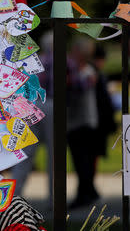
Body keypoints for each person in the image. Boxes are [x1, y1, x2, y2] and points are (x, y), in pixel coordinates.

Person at [11, 31, 54, 208]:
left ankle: (15, 194)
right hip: (51, 104)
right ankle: (54, 196)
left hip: (31, 105)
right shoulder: (64, 61)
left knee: (26, 151)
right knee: (54, 154)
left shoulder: (37, 61)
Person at [67, 37, 99, 209]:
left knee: (82, 161)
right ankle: (88, 191)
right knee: (82, 161)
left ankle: (85, 194)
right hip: (80, 121)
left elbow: (77, 88)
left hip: (82, 122)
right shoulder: (82, 70)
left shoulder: (85, 72)